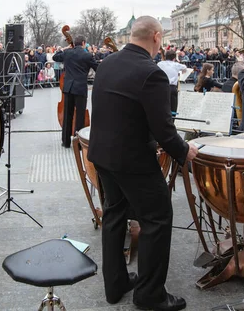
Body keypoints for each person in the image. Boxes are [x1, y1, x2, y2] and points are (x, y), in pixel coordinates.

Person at [88, 16, 197, 311]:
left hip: (102, 154)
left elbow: (118, 108)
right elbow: (163, 128)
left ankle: (116, 284)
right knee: (157, 219)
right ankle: (150, 295)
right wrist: (184, 151)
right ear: (157, 37)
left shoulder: (107, 63)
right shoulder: (153, 73)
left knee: (113, 215)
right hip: (133, 159)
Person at [52, 35, 98, 148]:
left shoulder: (68, 53)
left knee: (68, 115)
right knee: (80, 116)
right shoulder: (87, 55)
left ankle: (65, 141)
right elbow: (97, 68)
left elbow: (55, 57)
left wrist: (65, 48)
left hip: (68, 88)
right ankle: (78, 144)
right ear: (83, 43)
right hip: (80, 88)